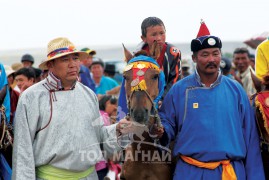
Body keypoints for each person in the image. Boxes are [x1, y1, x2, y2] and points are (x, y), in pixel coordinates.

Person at [156, 20, 265, 179]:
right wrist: (160, 129)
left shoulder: (236, 91)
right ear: (194, 58)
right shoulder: (179, 90)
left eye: (215, 54)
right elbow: (166, 124)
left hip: (230, 172)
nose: (211, 59)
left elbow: (251, 139)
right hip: (189, 172)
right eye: (205, 55)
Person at [12, 37, 130, 179]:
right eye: (65, 59)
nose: (73, 64)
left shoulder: (88, 94)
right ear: (51, 65)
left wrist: (117, 130)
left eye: (75, 58)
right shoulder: (31, 97)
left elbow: (99, 137)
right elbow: (22, 151)